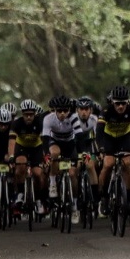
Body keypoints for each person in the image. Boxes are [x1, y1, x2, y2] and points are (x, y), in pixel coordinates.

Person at [42, 95, 83, 224]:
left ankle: (75, 207)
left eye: (65, 110)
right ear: (54, 110)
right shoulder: (48, 119)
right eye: (59, 111)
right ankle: (53, 183)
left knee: (72, 174)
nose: (62, 113)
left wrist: (81, 154)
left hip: (70, 144)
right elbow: (45, 139)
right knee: (54, 153)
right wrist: (46, 155)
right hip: (55, 142)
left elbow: (80, 136)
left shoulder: (74, 117)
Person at [97, 85, 130, 215]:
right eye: (117, 103)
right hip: (109, 139)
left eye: (123, 103)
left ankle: (129, 197)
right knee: (108, 164)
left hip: (124, 138)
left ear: (127, 102)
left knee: (127, 163)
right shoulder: (106, 111)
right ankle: (103, 196)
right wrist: (101, 149)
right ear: (112, 102)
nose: (120, 106)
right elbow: (99, 131)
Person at [8, 99, 46, 214]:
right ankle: (20, 194)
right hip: (22, 147)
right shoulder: (17, 123)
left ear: (35, 114)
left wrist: (46, 156)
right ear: (22, 114)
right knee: (20, 167)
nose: (29, 117)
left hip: (36, 148)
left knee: (38, 174)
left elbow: (45, 140)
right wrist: (11, 156)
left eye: (31, 114)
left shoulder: (40, 123)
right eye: (26, 115)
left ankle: (38, 200)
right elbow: (11, 141)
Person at [75, 96, 101, 210]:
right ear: (77, 110)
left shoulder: (94, 119)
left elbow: (97, 138)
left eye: (86, 109)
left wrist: (99, 152)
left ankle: (95, 197)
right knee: (76, 167)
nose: (84, 112)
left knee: (90, 165)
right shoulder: (73, 119)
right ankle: (76, 196)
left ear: (90, 110)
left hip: (88, 145)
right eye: (81, 109)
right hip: (75, 145)